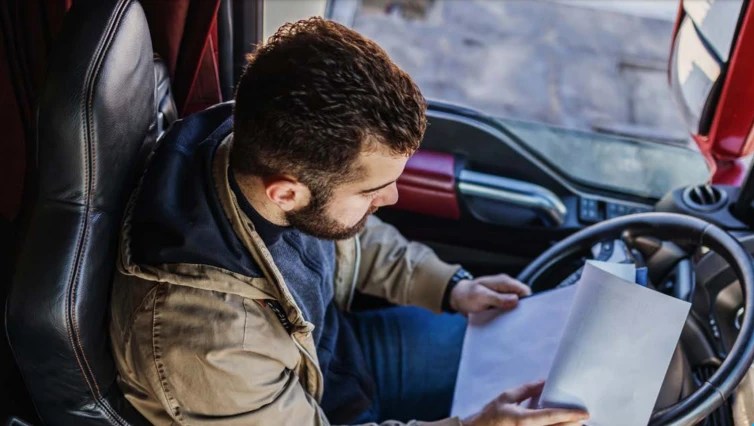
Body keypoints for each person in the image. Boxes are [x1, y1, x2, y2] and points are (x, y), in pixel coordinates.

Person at [109, 17, 589, 426]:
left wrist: (450, 287)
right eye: (370, 191)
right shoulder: (209, 345)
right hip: (319, 409)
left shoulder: (259, 150)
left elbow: (352, 240)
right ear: (287, 192)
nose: (393, 196)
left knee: (565, 376)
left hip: (345, 356)